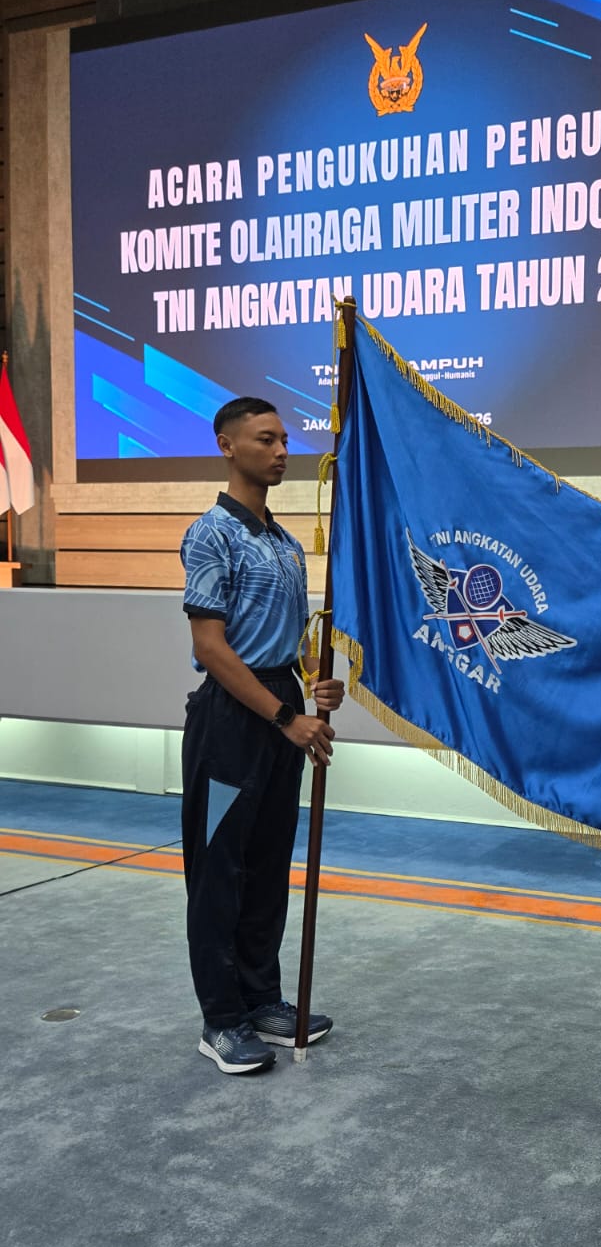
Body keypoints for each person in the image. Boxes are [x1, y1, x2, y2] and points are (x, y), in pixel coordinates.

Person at [180, 396, 344, 1075]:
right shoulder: (211, 534)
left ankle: (261, 998)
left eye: (284, 441)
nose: (281, 452)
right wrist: (285, 717)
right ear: (227, 445)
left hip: (282, 707)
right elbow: (211, 647)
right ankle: (221, 1020)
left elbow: (293, 644)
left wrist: (315, 683)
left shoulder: (285, 544)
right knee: (219, 869)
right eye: (265, 439)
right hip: (231, 722)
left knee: (269, 863)